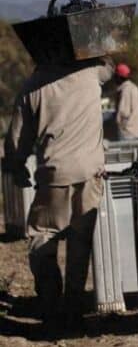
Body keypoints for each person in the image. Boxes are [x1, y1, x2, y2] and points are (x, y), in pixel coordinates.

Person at [4, 57, 114, 329]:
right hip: (91, 174)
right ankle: (74, 307)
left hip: (54, 174)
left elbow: (17, 140)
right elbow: (110, 68)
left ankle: (51, 304)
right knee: (80, 242)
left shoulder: (33, 86)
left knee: (42, 236)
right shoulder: (92, 73)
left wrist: (18, 168)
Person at [113, 63, 138, 140]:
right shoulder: (134, 87)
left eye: (115, 76)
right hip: (136, 130)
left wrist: (118, 122)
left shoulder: (125, 90)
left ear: (119, 77)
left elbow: (123, 112)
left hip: (127, 132)